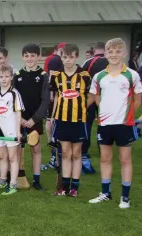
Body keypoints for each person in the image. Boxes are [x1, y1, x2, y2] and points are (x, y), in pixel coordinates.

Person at [88, 38, 142, 209]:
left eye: (117, 51)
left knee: (125, 159)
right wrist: (104, 111)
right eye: (110, 51)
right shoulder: (99, 76)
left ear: (124, 53)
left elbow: (138, 100)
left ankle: (125, 197)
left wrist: (126, 115)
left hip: (124, 124)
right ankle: (105, 193)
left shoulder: (132, 75)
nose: (113, 55)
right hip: (105, 124)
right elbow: (96, 96)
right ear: (105, 54)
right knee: (105, 159)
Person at [49, 44, 92, 197]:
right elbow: (55, 98)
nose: (67, 60)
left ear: (76, 57)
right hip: (62, 119)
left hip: (78, 120)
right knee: (65, 153)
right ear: (61, 57)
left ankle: (74, 187)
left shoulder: (84, 75)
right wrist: (52, 116)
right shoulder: (56, 76)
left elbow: (90, 96)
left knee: (76, 153)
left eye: (71, 57)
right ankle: (64, 187)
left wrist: (81, 109)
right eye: (65, 57)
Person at [13, 43, 50, 191]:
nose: (29, 59)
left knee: (35, 149)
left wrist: (34, 120)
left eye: (33, 56)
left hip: (34, 119)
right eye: (26, 56)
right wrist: (20, 118)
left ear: (38, 57)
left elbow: (46, 100)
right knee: (17, 149)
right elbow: (14, 99)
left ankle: (36, 179)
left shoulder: (43, 76)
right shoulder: (18, 75)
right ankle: (16, 177)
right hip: (19, 118)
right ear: (23, 57)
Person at [0, 64, 24, 195]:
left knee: (13, 157)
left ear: (11, 77)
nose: (4, 79)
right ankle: (2, 181)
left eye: (7, 76)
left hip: (11, 130)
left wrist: (18, 131)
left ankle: (13, 184)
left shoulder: (14, 94)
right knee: (2, 156)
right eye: (1, 76)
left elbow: (18, 112)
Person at [80, 41, 109, 171]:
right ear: (105, 50)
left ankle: (84, 149)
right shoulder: (110, 61)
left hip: (89, 97)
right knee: (104, 123)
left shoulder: (88, 62)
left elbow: (80, 78)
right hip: (107, 98)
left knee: (87, 123)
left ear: (94, 50)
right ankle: (103, 147)